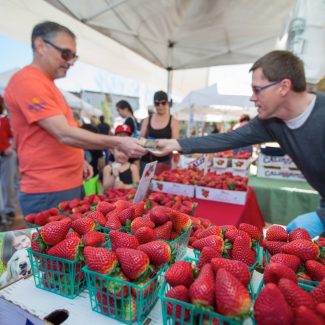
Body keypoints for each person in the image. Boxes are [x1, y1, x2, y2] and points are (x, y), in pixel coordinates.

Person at [156, 50, 325, 238]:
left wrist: (321, 217)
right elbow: (227, 139)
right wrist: (174, 143)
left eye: (257, 89)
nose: (252, 98)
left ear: (284, 87)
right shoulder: (272, 123)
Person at [3, 21, 146, 216]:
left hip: (65, 184)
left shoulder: (47, 84)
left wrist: (79, 160)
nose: (70, 62)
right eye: (66, 54)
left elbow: (59, 134)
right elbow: (63, 133)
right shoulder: (28, 81)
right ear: (40, 46)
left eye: (74, 56)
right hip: (49, 189)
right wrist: (117, 141)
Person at [140, 90, 179, 175]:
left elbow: (175, 143)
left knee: (162, 185)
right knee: (145, 187)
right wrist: (156, 144)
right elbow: (140, 140)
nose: (160, 106)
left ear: (168, 104)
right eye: (157, 103)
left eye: (163, 103)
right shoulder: (147, 120)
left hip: (165, 160)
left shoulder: (173, 121)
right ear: (154, 104)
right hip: (147, 160)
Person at [0, 96, 17, 226]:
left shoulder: (4, 120)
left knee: (7, 183)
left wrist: (9, 147)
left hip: (6, 155)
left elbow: (15, 135)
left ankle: (9, 210)